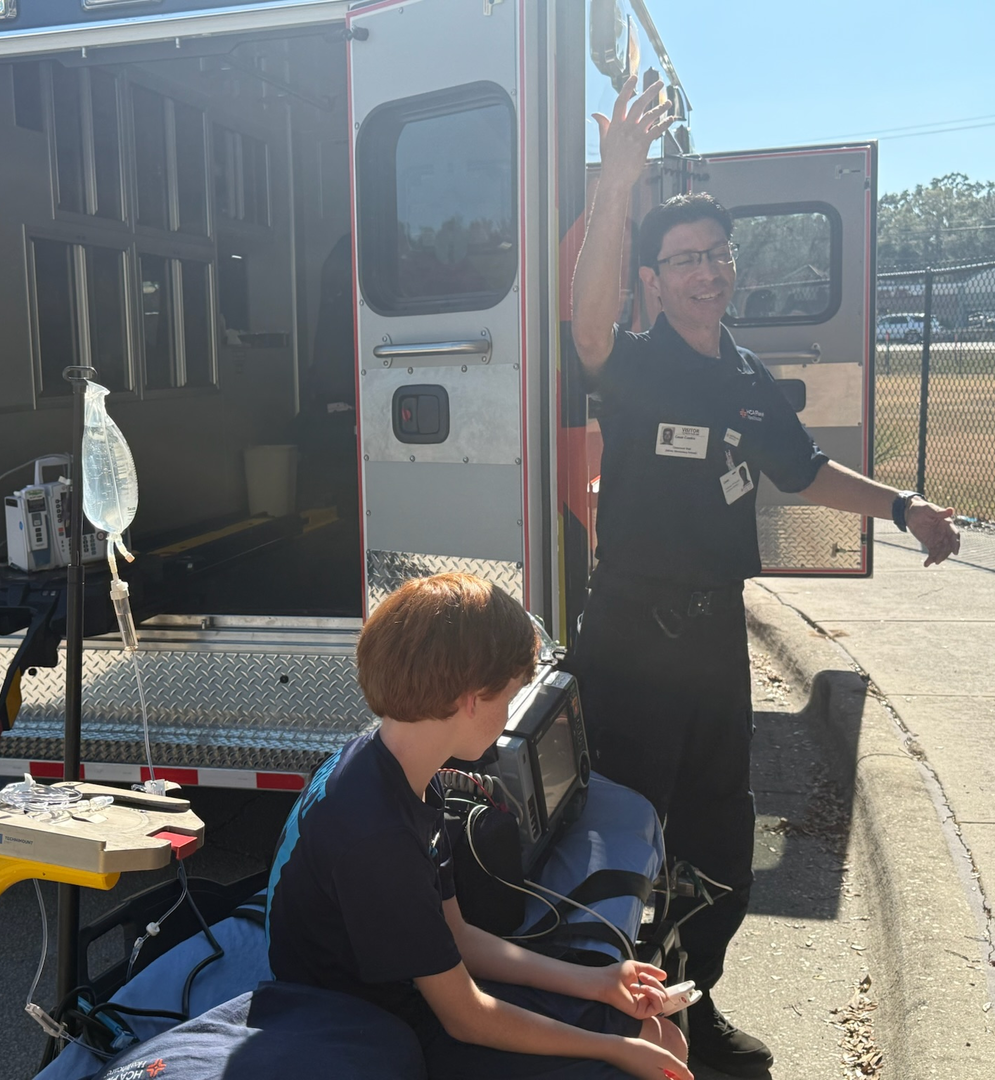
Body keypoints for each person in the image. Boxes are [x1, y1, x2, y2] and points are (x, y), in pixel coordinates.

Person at [568, 76, 963, 1076]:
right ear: (653, 279)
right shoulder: (633, 361)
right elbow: (583, 322)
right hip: (631, 635)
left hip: (712, 640)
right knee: (622, 838)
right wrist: (617, 189)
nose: (705, 273)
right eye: (684, 261)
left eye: (715, 256)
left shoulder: (744, 375)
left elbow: (804, 472)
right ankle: (610, 1027)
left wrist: (905, 506)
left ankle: (695, 1010)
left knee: (718, 838)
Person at [266, 573, 692, 1080]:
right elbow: (464, 1017)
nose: (508, 713)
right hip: (356, 1025)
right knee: (644, 1052)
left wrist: (597, 980)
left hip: (407, 989)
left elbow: (458, 936)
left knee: (659, 1037)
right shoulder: (376, 836)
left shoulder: (405, 767)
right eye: (508, 697)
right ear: (472, 698)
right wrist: (611, 1049)